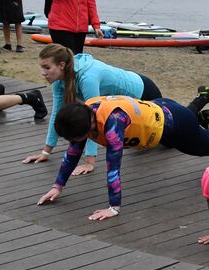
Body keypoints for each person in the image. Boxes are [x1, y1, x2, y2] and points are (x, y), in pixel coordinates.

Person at [37, 92, 209, 221]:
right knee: (206, 139)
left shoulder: (113, 124)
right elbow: (72, 154)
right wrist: (57, 186)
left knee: (203, 146)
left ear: (88, 126)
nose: (76, 142)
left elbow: (113, 167)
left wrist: (114, 207)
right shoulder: (83, 112)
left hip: (174, 123)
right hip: (161, 110)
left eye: (77, 137)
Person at [21, 43, 165, 175]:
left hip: (143, 93)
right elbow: (56, 114)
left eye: (47, 68)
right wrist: (45, 152)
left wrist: (89, 162)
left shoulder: (88, 78)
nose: (43, 73)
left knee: (168, 140)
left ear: (62, 65)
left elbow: (92, 118)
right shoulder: (59, 81)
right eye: (42, 67)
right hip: (126, 106)